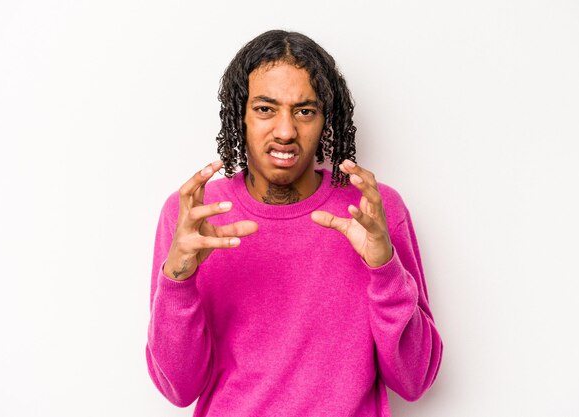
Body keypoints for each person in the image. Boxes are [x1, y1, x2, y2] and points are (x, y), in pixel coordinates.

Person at [146, 29, 442, 416]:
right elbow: (178, 389)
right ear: (241, 115)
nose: (285, 132)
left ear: (326, 120)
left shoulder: (373, 209)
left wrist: (385, 270)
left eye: (304, 111)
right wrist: (178, 280)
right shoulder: (196, 214)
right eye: (266, 109)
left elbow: (414, 379)